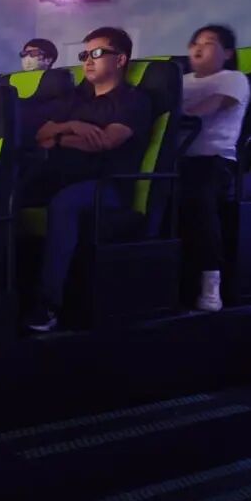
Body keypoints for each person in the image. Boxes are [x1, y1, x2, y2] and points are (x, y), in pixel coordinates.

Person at [25, 27, 153, 331]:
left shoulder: (133, 100)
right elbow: (40, 134)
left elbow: (104, 141)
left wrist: (59, 138)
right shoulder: (75, 99)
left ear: (120, 59)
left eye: (97, 53)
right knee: (9, 192)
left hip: (108, 185)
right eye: (84, 54)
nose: (87, 61)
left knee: (64, 204)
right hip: (61, 175)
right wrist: (72, 126)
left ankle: (49, 305)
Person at [179, 24, 250, 311]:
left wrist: (174, 114)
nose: (198, 47)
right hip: (177, 158)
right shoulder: (180, 80)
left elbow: (205, 109)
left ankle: (211, 280)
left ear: (228, 53)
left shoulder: (233, 79)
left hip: (216, 160)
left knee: (198, 194)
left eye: (208, 43)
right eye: (195, 42)